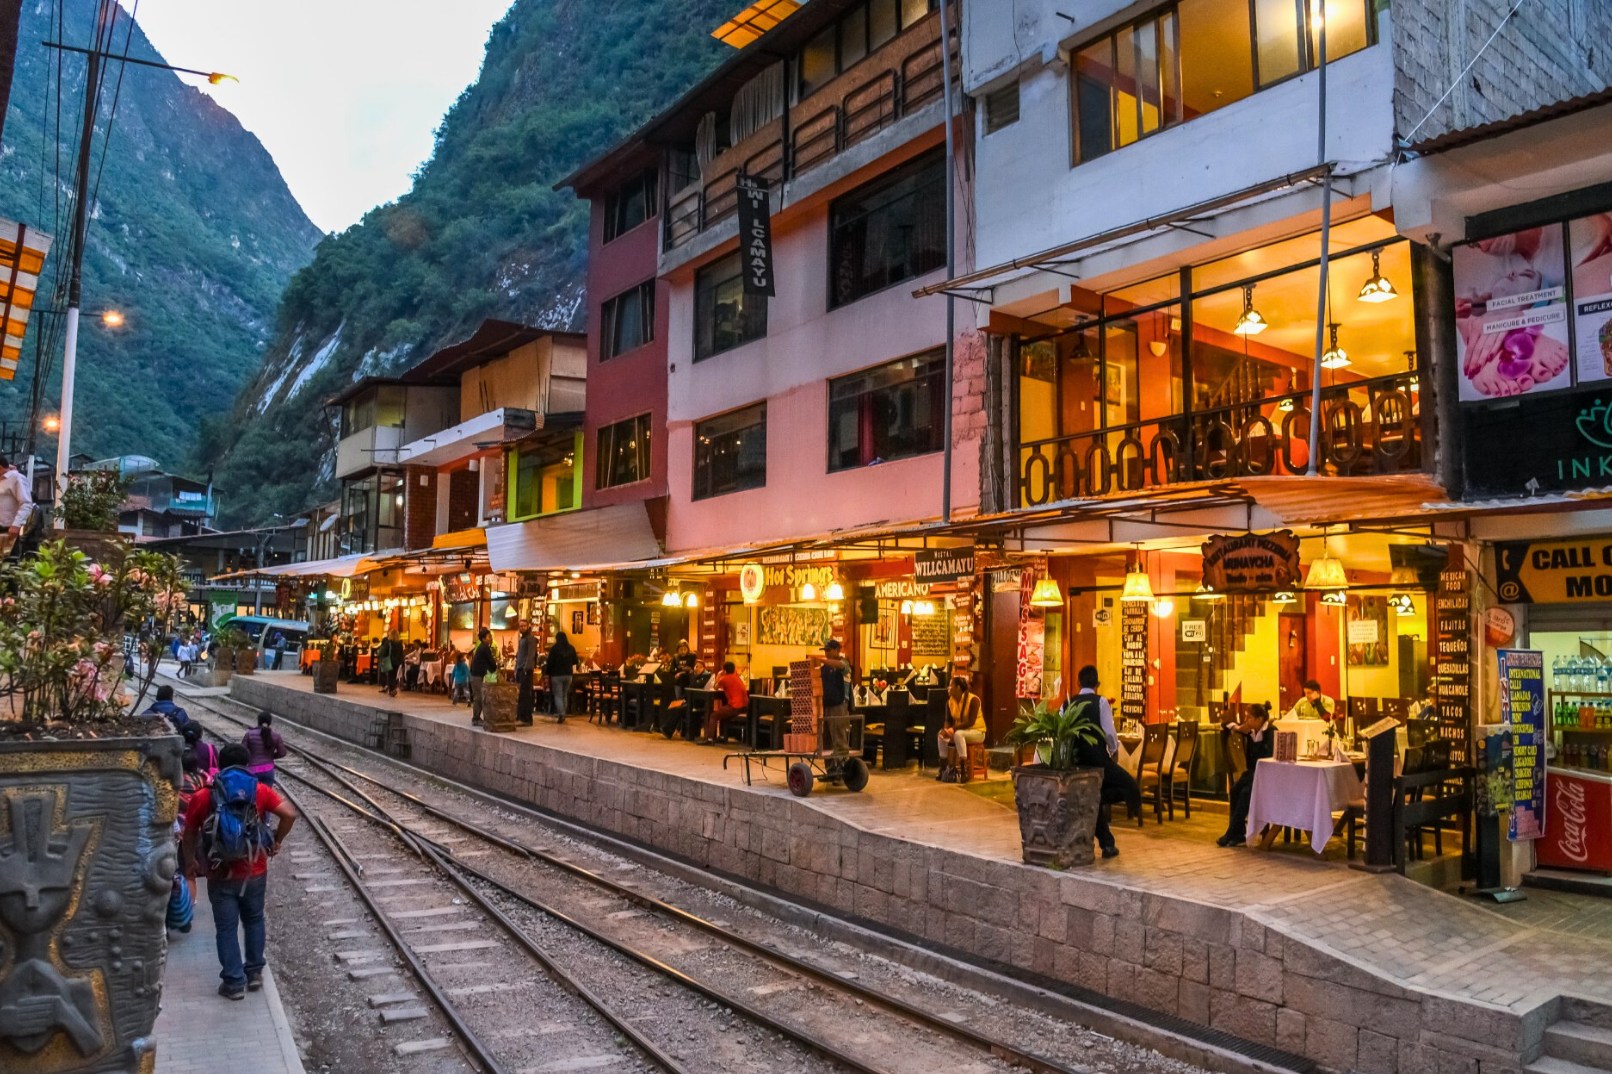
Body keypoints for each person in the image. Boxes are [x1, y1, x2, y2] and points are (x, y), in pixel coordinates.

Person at [182, 743, 297, 1000]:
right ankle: (254, 973)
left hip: (219, 872)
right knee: (254, 919)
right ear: (247, 765)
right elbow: (289, 814)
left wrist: (190, 861)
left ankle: (234, 983)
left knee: (226, 928)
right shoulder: (259, 790)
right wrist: (277, 840)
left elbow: (189, 833)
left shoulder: (204, 796)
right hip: (254, 870)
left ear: (220, 765)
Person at [1070, 665, 1139, 859]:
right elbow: (1109, 732)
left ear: (1078, 682)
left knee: (1095, 797)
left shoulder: (1067, 703)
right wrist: (1114, 751)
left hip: (1076, 763)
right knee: (1129, 784)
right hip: (1098, 761)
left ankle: (1108, 844)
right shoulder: (1100, 702)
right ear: (1097, 684)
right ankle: (1135, 809)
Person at [1218, 703, 1274, 847]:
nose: (1246, 720)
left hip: (1266, 776)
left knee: (1245, 793)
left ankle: (1230, 833)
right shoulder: (1250, 732)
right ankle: (1238, 833)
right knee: (1235, 789)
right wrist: (1237, 727)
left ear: (1260, 719)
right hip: (1252, 774)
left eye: (1249, 717)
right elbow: (1225, 724)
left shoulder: (1271, 732)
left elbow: (1270, 758)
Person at [938, 677, 985, 781]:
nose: (948, 688)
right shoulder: (949, 702)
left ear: (958, 688)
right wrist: (946, 730)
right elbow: (948, 720)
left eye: (950, 686)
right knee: (941, 735)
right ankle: (943, 769)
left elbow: (970, 722)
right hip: (960, 731)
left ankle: (964, 771)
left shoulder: (974, 700)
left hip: (977, 732)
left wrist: (953, 729)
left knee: (958, 734)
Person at [702, 661, 749, 744]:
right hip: (745, 706)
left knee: (714, 716)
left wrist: (719, 675)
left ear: (724, 670)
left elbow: (715, 687)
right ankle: (723, 736)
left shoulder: (724, 678)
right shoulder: (736, 677)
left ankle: (709, 739)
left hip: (735, 706)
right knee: (723, 712)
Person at [820, 639, 854, 753]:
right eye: (825, 651)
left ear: (837, 650)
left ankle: (842, 765)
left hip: (839, 706)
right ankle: (831, 768)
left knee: (839, 740)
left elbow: (839, 665)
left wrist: (821, 660)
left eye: (829, 650)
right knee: (827, 742)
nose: (826, 653)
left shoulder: (844, 663)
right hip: (826, 705)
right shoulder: (825, 667)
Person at [0, 454, 35, 560]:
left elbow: (26, 503)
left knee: (7, 566)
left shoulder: (16, 478)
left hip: (7, 530)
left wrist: (16, 524)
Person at [243, 711, 287, 786]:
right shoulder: (276, 736)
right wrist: (271, 756)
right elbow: (282, 752)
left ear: (258, 721)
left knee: (253, 795)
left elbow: (242, 751)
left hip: (253, 770)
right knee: (265, 795)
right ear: (270, 722)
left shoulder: (250, 734)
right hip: (268, 770)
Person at [545, 630, 578, 723]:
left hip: (556, 675)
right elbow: (576, 661)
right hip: (568, 674)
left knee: (558, 695)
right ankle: (563, 713)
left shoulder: (554, 649)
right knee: (564, 695)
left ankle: (561, 714)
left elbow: (550, 662)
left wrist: (547, 673)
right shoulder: (571, 648)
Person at [469, 628, 498, 727]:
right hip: (476, 676)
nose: (491, 639)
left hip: (477, 675)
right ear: (483, 638)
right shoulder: (484, 648)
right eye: (489, 637)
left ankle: (477, 717)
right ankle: (476, 718)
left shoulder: (482, 647)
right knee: (478, 697)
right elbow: (491, 662)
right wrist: (495, 669)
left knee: (479, 696)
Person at [514, 619, 537, 725]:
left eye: (524, 626)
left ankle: (526, 718)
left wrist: (526, 669)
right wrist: (516, 669)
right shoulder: (522, 639)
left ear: (528, 626)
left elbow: (531, 655)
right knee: (520, 695)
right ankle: (520, 716)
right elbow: (519, 655)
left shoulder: (530, 639)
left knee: (525, 695)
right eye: (520, 626)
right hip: (520, 669)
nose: (522, 628)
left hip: (525, 671)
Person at [376, 629, 404, 697]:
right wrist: (401, 661)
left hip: (388, 660)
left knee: (389, 675)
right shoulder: (400, 644)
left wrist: (380, 656)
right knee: (394, 675)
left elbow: (383, 652)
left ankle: (392, 689)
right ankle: (392, 688)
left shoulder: (388, 642)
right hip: (396, 662)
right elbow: (401, 653)